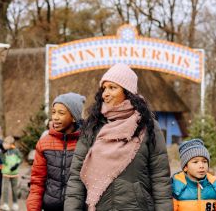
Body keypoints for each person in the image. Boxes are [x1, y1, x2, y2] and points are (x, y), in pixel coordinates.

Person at [65, 63, 173, 210]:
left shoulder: (147, 126)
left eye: (112, 87)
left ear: (127, 92)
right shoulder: (93, 125)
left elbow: (160, 179)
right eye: (104, 88)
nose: (105, 94)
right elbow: (76, 177)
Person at [27, 92, 85, 211]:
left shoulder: (86, 143)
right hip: (50, 207)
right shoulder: (44, 143)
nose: (55, 117)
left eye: (61, 113)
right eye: (53, 112)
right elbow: (37, 182)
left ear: (74, 117)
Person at [172, 139, 216, 211]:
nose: (201, 165)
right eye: (195, 162)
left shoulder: (214, 185)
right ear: (185, 167)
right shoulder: (177, 187)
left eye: (204, 161)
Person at [0, 136, 22, 211]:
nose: (3, 144)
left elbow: (20, 158)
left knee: (14, 189)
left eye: (6, 143)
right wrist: (2, 154)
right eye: (4, 143)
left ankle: (15, 204)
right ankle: (5, 204)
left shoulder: (16, 151)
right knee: (5, 188)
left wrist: (16, 165)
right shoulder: (3, 151)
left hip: (14, 173)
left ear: (10, 144)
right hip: (6, 173)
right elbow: (3, 161)